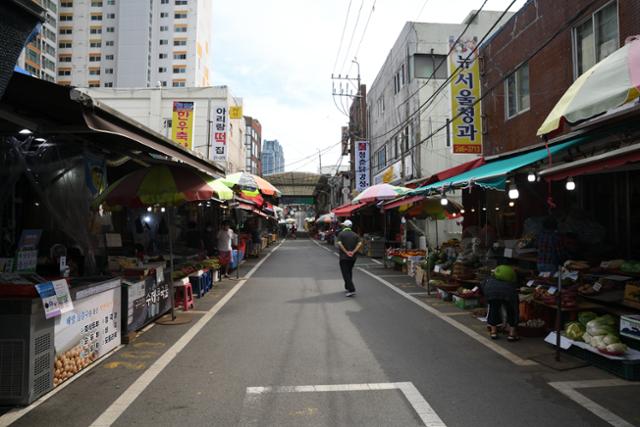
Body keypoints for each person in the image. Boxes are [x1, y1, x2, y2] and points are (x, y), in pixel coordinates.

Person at [482, 265, 520, 341]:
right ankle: (511, 334)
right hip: (507, 292)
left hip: (491, 290)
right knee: (512, 311)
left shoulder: (494, 273)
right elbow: (514, 284)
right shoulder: (512, 274)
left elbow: (483, 284)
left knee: (493, 310)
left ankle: (493, 332)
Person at [336, 219, 362, 297]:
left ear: (345, 226)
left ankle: (351, 289)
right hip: (353, 258)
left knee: (345, 273)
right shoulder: (355, 235)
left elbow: (340, 244)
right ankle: (347, 287)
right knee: (349, 271)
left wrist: (346, 252)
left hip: (344, 257)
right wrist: (353, 252)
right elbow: (360, 244)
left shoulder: (341, 234)